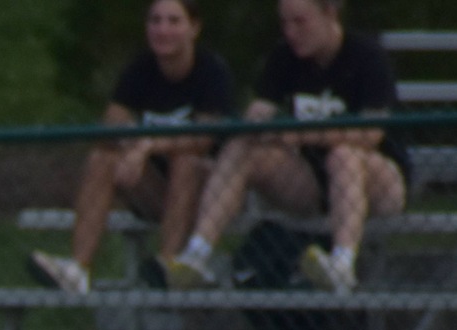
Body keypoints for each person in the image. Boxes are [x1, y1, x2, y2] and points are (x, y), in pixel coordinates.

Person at [164, 0, 404, 295]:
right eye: (285, 23)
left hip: (377, 180)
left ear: (329, 13)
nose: (291, 32)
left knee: (344, 155)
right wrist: (261, 126)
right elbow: (260, 111)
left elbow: (370, 135)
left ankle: (342, 265)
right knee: (242, 148)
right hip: (312, 181)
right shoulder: (284, 57)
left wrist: (302, 135)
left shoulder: (367, 56)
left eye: (300, 22)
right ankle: (198, 253)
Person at [29, 0, 233, 295]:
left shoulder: (212, 71)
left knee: (187, 161)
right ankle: (78, 268)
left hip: (206, 197)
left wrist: (147, 145)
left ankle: (169, 264)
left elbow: (203, 139)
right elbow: (111, 127)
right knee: (102, 159)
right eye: (155, 21)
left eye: (174, 21)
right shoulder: (140, 69)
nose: (163, 30)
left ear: (194, 28)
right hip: (155, 190)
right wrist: (131, 148)